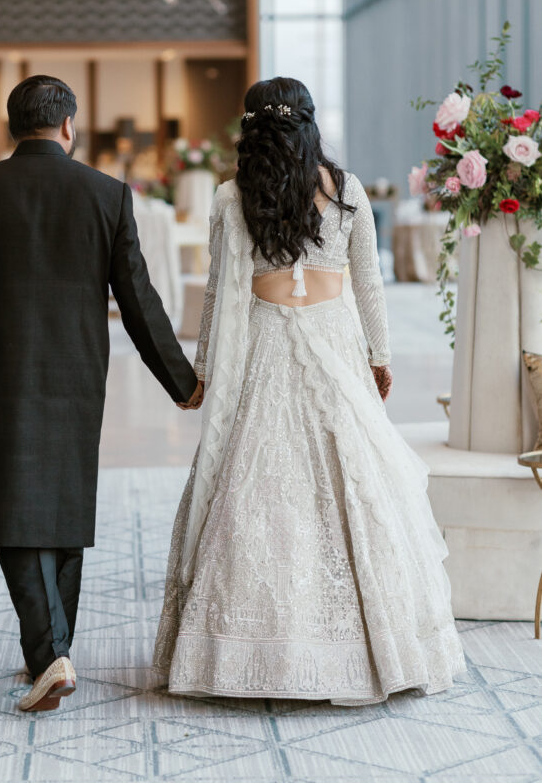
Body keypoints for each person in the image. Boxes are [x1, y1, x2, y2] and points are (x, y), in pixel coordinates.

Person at [153, 77, 465, 704]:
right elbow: (367, 285)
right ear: (310, 124)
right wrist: (379, 356)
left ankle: (257, 649)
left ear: (253, 129)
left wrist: (205, 370)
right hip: (334, 343)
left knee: (258, 480)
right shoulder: (345, 190)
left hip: (266, 343)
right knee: (351, 480)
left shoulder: (231, 195)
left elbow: (219, 294)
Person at [0, 75, 202, 713]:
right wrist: (181, 382)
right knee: (64, 503)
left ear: (11, 128)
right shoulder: (107, 194)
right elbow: (140, 299)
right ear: (69, 127)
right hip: (78, 373)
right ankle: (52, 651)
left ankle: (50, 655)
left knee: (10, 507)